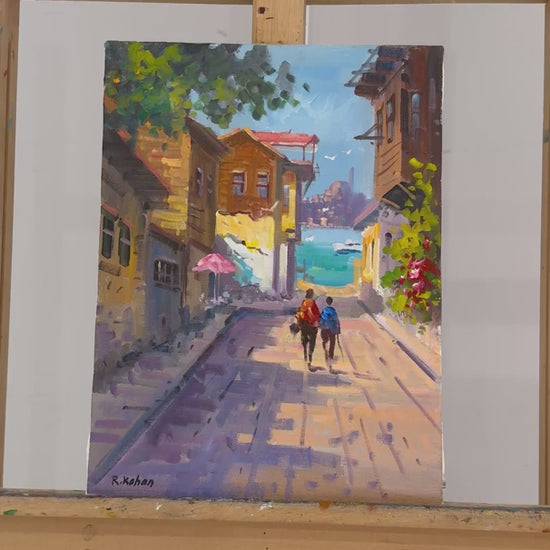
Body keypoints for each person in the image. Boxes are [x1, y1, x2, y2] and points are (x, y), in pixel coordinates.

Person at [295, 288, 320, 368]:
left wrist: (299, 324)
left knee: (304, 342)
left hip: (304, 326)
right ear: (312, 295)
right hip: (312, 326)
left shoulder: (303, 304)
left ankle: (305, 357)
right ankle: (310, 358)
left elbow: (298, 315)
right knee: (312, 343)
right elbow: (317, 316)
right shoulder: (313, 304)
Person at [319, 296, 341, 365]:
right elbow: (336, 321)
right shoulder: (333, 312)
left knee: (325, 341)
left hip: (324, 329)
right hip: (331, 329)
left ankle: (325, 351)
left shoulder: (323, 311)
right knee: (332, 342)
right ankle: (331, 357)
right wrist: (338, 330)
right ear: (332, 302)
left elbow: (320, 320)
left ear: (326, 302)